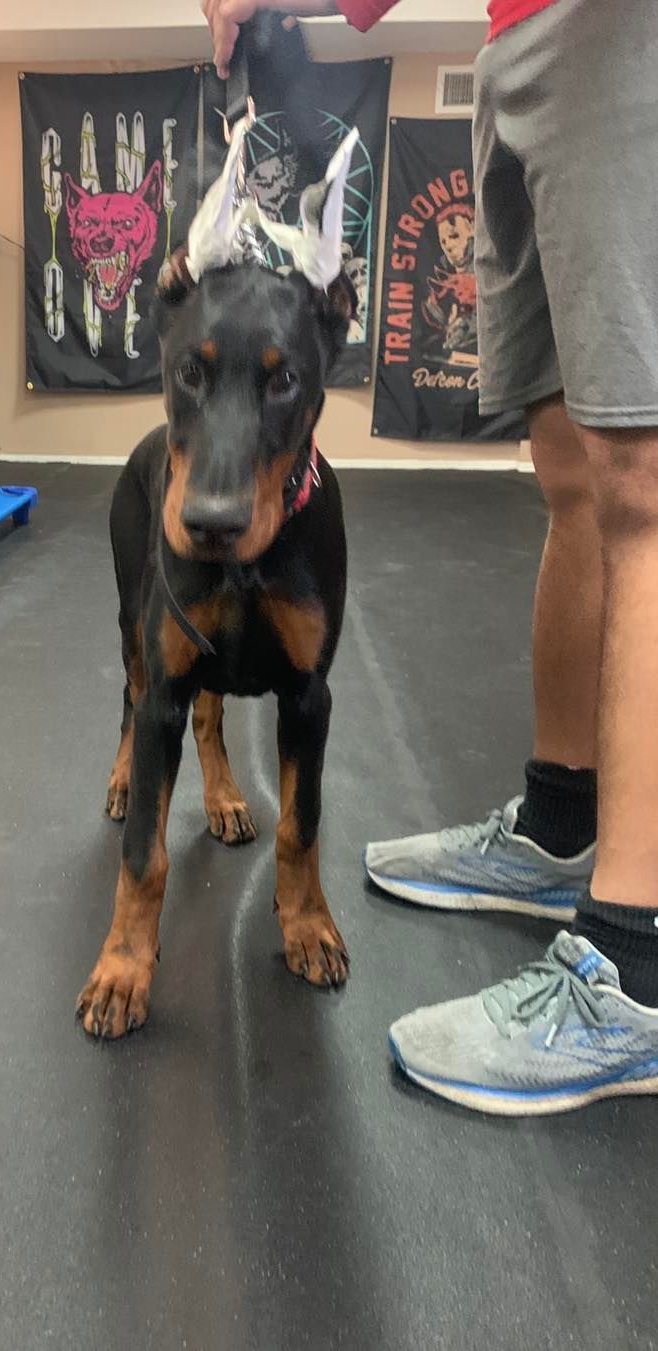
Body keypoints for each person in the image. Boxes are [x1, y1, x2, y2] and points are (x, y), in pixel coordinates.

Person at [203, 0, 658, 1115]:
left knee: (644, 480)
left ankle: (637, 969)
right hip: (520, 39)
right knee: (571, 468)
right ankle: (560, 828)